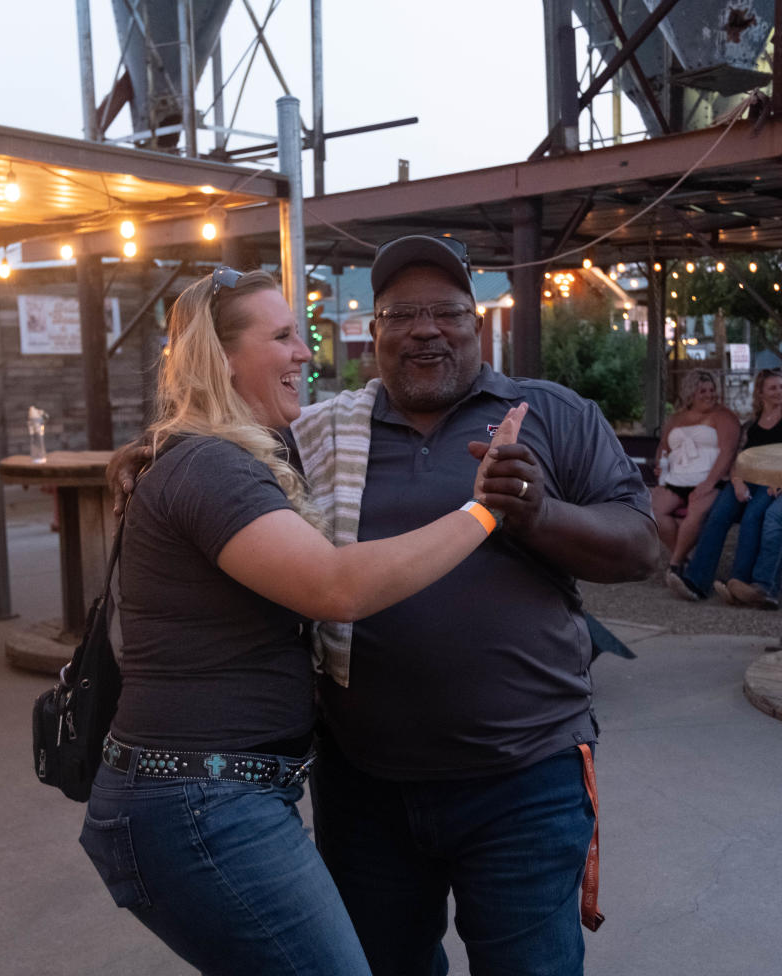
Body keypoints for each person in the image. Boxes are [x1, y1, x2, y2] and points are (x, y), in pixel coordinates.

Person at [108, 236, 658, 976]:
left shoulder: (548, 415)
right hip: (366, 786)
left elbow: (643, 548)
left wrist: (537, 513)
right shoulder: (316, 431)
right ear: (376, 331)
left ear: (476, 323)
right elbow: (224, 451)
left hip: (525, 780)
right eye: (401, 313)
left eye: (446, 312)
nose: (424, 328)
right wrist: (154, 447)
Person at [80, 265, 527, 976]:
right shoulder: (210, 468)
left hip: (215, 796)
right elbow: (336, 587)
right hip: (200, 804)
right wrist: (484, 511)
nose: (304, 353)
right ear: (221, 359)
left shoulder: (216, 458)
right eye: (284, 337)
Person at [667, 367, 782, 604]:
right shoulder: (750, 425)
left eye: (781, 387)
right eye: (773, 388)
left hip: (769, 482)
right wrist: (738, 481)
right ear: (760, 393)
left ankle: (738, 582)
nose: (779, 392)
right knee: (717, 515)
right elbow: (737, 458)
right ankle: (696, 582)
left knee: (752, 516)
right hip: (743, 478)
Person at [651, 368, 740, 583]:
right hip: (676, 477)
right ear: (690, 392)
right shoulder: (676, 418)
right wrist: (659, 465)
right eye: (703, 391)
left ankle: (674, 565)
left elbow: (727, 452)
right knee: (654, 511)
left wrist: (709, 483)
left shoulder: (724, 416)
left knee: (697, 511)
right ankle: (682, 558)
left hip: (710, 477)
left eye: (712, 390)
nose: (709, 394)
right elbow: (664, 448)